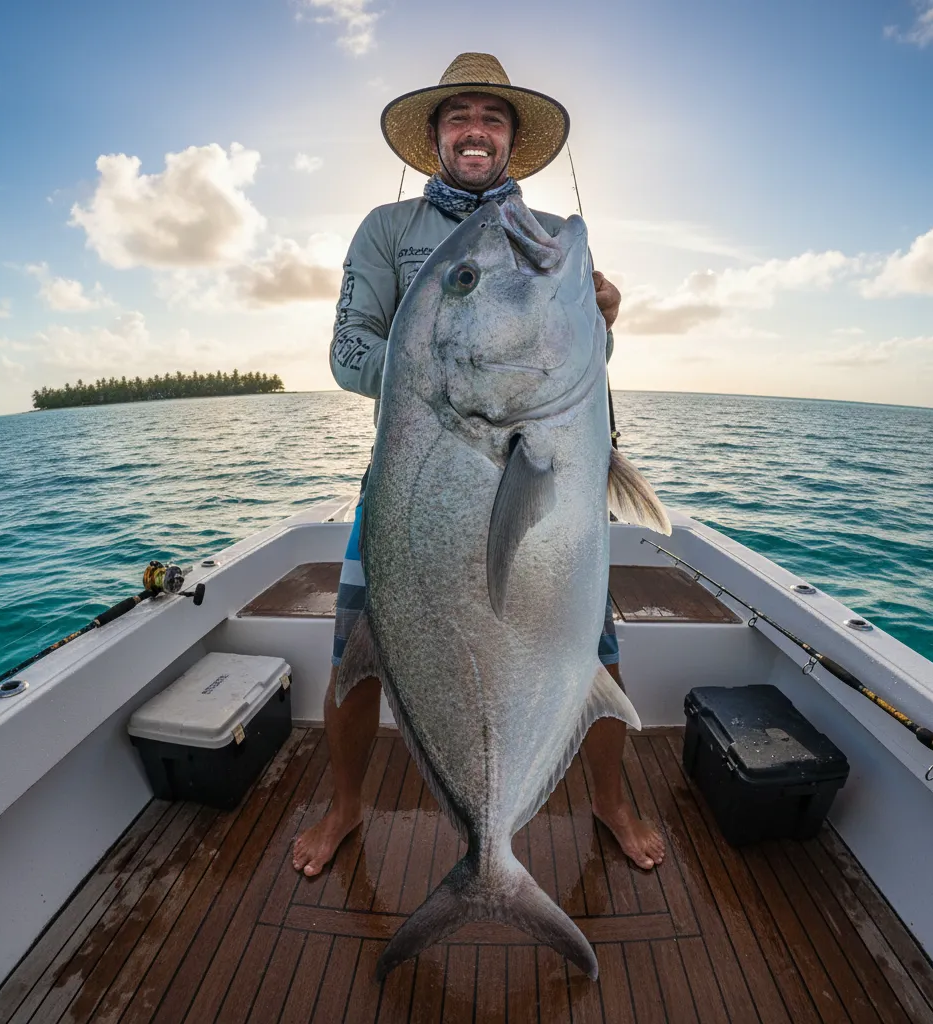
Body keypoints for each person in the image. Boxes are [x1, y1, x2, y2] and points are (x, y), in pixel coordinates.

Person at [293, 52, 666, 878]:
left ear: (511, 142)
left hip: (544, 481)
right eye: (459, 116)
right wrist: (443, 360)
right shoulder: (385, 234)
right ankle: (347, 804)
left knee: (593, 648)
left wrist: (601, 318)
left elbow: (559, 368)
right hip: (411, 487)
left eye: (492, 118)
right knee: (355, 653)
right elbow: (349, 350)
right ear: (434, 137)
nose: (476, 131)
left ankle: (610, 800)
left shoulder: (539, 242)